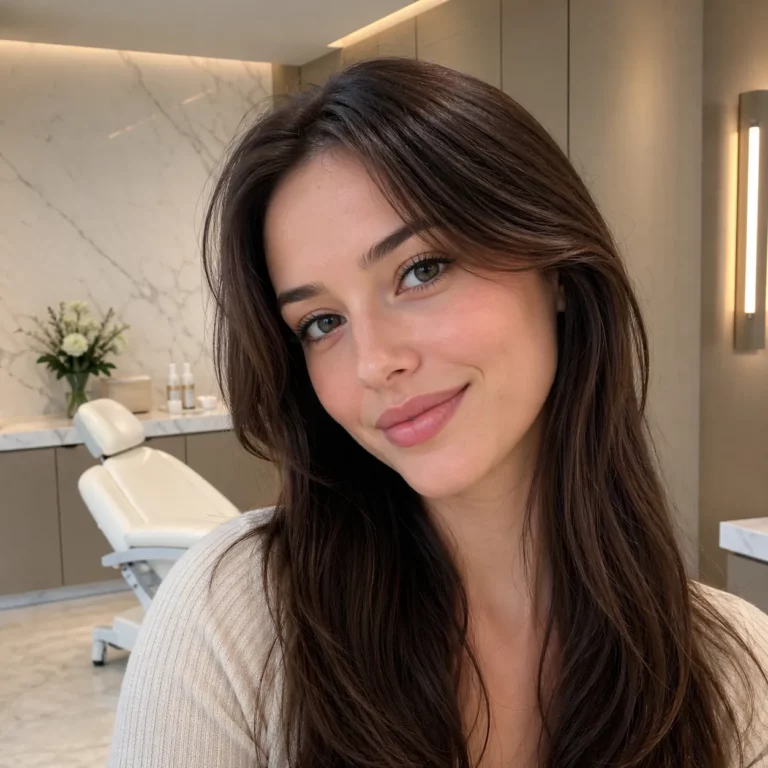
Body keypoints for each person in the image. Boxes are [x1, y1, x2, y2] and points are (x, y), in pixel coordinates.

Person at [109, 58, 768, 767]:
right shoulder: (234, 626)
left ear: (556, 270)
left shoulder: (731, 669)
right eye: (321, 322)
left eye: (420, 270)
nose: (372, 362)